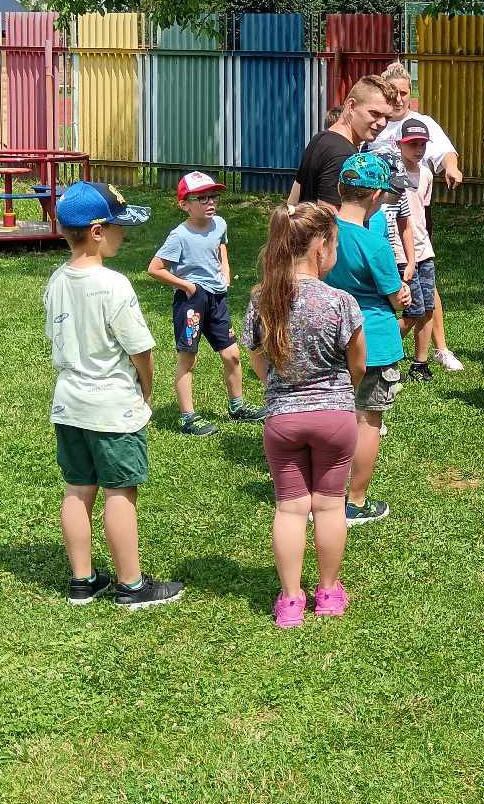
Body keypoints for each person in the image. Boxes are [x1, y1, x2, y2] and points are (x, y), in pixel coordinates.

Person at [44, 180, 184, 610]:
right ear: (97, 231)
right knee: (120, 493)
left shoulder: (56, 280)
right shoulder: (114, 285)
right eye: (119, 226)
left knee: (77, 489)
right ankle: (131, 585)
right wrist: (147, 389)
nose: (124, 233)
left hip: (69, 405)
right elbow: (140, 350)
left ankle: (82, 581)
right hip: (112, 408)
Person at [241, 203, 365, 628]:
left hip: (283, 419)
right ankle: (328, 592)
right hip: (335, 416)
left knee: (290, 510)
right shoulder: (340, 301)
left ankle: (291, 600)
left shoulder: (262, 297)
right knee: (329, 507)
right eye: (335, 246)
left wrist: (279, 385)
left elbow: (256, 359)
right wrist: (340, 389)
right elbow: (358, 363)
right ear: (320, 248)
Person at [146, 171, 265, 435]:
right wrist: (187, 286)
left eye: (213, 196)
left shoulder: (219, 224)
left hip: (217, 299)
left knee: (232, 355)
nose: (210, 202)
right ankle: (188, 418)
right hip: (191, 302)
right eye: (202, 198)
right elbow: (155, 268)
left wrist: (225, 270)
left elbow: (221, 246)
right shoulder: (179, 236)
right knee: (188, 359)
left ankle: (237, 405)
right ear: (184, 205)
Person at [325, 151, 406, 525]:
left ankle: (323, 496)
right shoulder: (375, 244)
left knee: (332, 416)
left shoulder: (322, 232)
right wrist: (403, 295)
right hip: (373, 340)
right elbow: (394, 295)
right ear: (376, 195)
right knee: (367, 421)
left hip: (331, 335)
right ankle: (355, 502)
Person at [376, 63, 465, 371]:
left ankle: (437, 350)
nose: (399, 99)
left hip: (413, 221)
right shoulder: (376, 123)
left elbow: (445, 152)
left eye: (404, 93)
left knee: (424, 284)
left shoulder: (421, 123)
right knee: (395, 292)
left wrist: (451, 168)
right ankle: (377, 350)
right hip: (379, 221)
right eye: (393, 93)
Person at [288, 76, 392, 208]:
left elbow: (292, 204)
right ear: (351, 106)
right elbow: (332, 216)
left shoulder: (320, 138)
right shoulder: (344, 155)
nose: (383, 123)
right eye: (375, 114)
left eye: (387, 117)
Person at [391, 116, 439, 383]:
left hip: (424, 251)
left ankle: (420, 363)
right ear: (399, 144)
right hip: (400, 252)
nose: (418, 149)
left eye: (422, 144)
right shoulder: (392, 174)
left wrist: (427, 243)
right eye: (412, 144)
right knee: (412, 311)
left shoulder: (427, 174)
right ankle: (378, 351)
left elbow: (424, 213)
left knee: (427, 308)